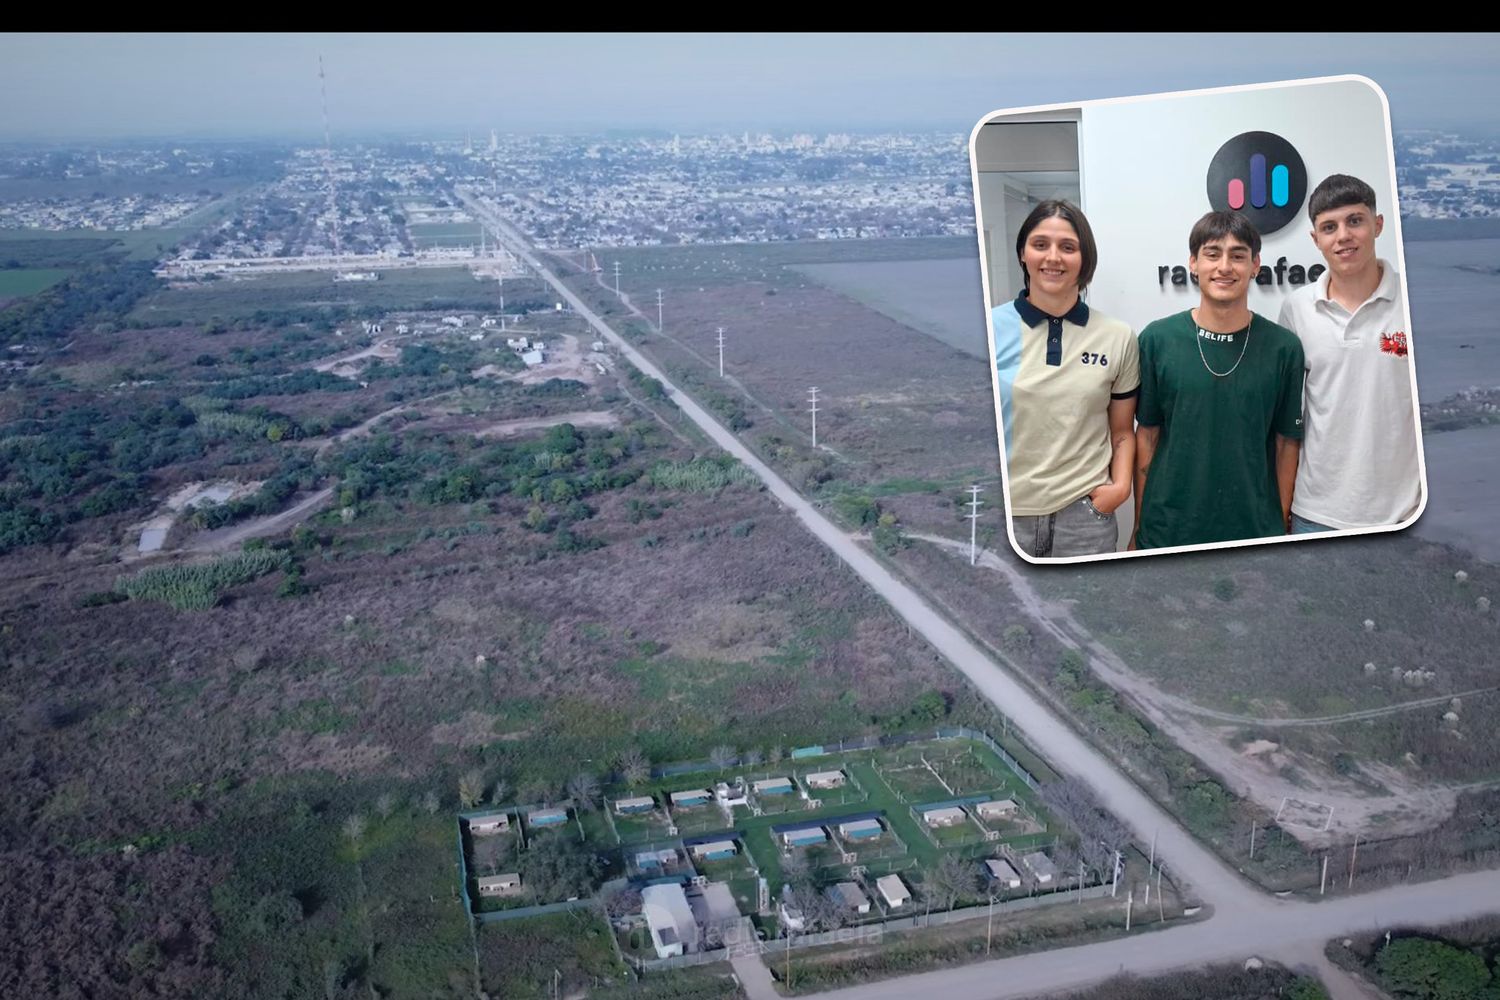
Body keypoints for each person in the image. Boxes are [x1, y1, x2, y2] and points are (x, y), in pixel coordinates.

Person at [1132, 210, 1304, 550]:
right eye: (1212, 254)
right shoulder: (1157, 339)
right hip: (1169, 531)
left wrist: (1278, 521)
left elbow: (1287, 444)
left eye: (1238, 256)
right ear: (1193, 263)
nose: (1224, 267)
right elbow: (1147, 436)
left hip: (1254, 531)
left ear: (1255, 266)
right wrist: (1139, 526)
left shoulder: (1283, 348)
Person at [993, 199, 1139, 559]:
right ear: (1023, 254)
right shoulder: (989, 328)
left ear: (1085, 260)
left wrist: (1119, 490)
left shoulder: (1118, 336)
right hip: (1007, 516)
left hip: (1085, 519)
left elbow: (1122, 431)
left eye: (1068, 247)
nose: (1053, 257)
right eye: (1040, 244)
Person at [1277, 173, 1422, 533]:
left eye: (1354, 221)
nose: (1343, 236)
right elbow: (1287, 422)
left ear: (1377, 224)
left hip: (1404, 512)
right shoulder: (1296, 309)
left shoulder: (1414, 300)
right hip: (1316, 513)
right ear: (1316, 239)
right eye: (1329, 227)